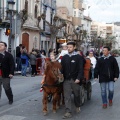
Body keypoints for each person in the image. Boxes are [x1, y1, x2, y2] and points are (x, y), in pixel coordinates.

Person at [61, 41, 84, 119]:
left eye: (70, 47)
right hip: (66, 79)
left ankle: (77, 105)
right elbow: (62, 68)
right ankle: (68, 112)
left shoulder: (79, 57)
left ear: (74, 47)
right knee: (67, 96)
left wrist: (78, 78)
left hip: (75, 80)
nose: (69, 48)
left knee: (76, 94)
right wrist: (60, 75)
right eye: (68, 47)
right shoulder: (64, 57)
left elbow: (81, 69)